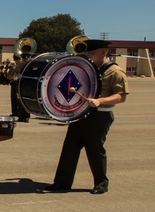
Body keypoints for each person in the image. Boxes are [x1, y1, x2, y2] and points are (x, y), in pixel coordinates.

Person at [41, 40, 129, 195]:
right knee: (69, 149)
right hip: (81, 114)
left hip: (100, 115)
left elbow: (121, 96)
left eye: (92, 53)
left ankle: (101, 183)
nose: (89, 56)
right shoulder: (89, 69)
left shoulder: (114, 71)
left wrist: (100, 101)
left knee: (95, 150)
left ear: (103, 52)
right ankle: (62, 183)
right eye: (88, 53)